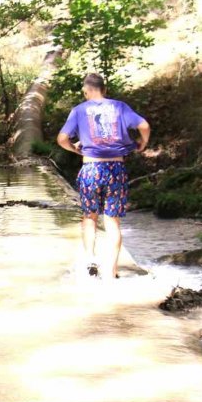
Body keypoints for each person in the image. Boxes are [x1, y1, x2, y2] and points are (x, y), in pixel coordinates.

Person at [56, 73, 150, 279]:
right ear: (104, 90)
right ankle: (111, 271)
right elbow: (144, 126)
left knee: (90, 217)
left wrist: (75, 149)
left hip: (91, 169)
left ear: (86, 91)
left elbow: (62, 138)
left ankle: (90, 259)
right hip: (115, 169)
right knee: (112, 221)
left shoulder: (79, 110)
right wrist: (143, 143)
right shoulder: (119, 106)